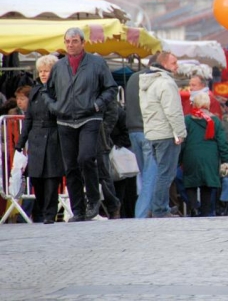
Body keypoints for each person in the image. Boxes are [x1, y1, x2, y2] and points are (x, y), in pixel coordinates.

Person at [42, 27, 118, 222]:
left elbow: (110, 88)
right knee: (71, 166)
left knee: (86, 158)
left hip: (89, 117)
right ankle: (78, 210)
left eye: (74, 41)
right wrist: (54, 107)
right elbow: (46, 91)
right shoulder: (59, 66)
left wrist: (97, 105)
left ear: (83, 43)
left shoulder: (97, 63)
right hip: (64, 120)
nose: (70, 44)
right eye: (67, 41)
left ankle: (93, 201)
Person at [15, 56, 64, 224]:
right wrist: (20, 143)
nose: (43, 74)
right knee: (36, 178)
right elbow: (28, 118)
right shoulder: (35, 90)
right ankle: (44, 210)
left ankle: (50, 214)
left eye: (47, 71)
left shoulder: (59, 89)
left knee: (51, 177)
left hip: (52, 136)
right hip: (36, 138)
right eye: (41, 71)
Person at [139, 51, 187, 218]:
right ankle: (160, 209)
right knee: (165, 173)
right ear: (164, 64)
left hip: (153, 133)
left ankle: (158, 206)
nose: (177, 66)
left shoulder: (147, 81)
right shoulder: (166, 83)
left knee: (160, 172)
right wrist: (180, 133)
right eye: (174, 62)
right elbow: (173, 111)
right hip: (166, 133)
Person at [180, 93, 228, 217]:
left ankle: (193, 207)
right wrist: (225, 160)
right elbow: (222, 142)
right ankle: (205, 211)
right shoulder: (215, 121)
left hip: (191, 156)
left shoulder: (187, 120)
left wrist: (179, 159)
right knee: (206, 185)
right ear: (208, 104)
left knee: (190, 182)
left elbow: (182, 141)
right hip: (210, 157)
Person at [126, 69, 157, 219]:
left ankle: (159, 207)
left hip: (133, 131)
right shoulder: (154, 79)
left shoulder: (132, 78)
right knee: (150, 176)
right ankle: (142, 214)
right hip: (148, 130)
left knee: (146, 175)